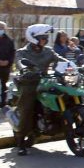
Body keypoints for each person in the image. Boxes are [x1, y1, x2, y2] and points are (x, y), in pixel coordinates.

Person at [14, 24, 68, 156]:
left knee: (64, 93)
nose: (45, 40)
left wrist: (70, 64)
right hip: (29, 83)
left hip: (45, 81)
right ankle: (21, 141)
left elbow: (59, 59)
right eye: (42, 38)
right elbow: (19, 62)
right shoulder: (22, 52)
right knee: (26, 108)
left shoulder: (48, 51)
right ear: (33, 38)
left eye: (46, 38)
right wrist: (24, 69)